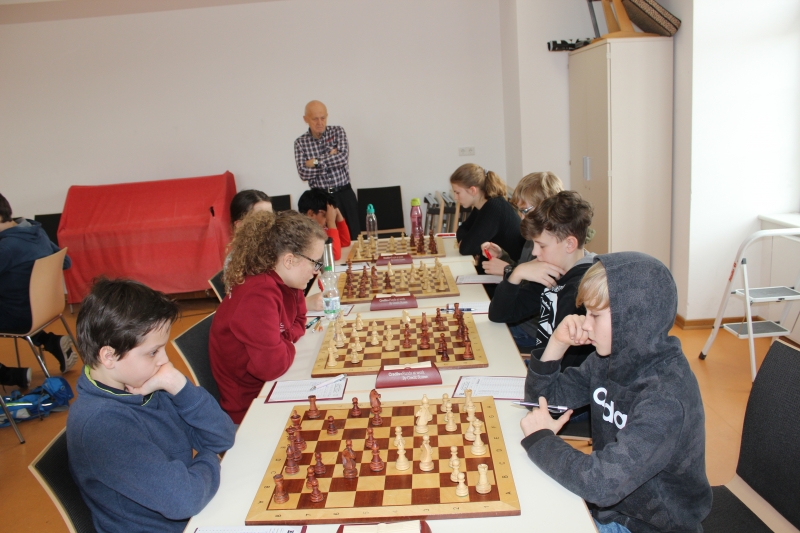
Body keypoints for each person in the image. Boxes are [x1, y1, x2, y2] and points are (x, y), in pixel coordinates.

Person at [520, 252, 712, 533]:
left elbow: (600, 484)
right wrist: (557, 343)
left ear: (633, 319)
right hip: (610, 507)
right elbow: (542, 402)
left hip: (646, 526)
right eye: (586, 312)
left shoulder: (665, 397)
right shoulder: (608, 360)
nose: (585, 324)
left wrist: (542, 440)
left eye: (595, 315)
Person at [67, 278, 235, 533]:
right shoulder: (102, 425)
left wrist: (178, 385)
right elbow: (184, 499)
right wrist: (209, 458)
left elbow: (222, 437)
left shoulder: (145, 382)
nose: (165, 360)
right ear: (109, 356)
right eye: (153, 352)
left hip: (194, 515)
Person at [209, 210, 327, 423]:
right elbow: (272, 367)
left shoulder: (288, 282)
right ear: (289, 260)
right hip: (251, 407)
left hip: (271, 388)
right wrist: (285, 342)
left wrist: (283, 340)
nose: (316, 271)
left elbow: (300, 319)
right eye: (315, 262)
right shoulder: (258, 294)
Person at [489, 191, 596, 362]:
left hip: (553, 373)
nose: (534, 252)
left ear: (569, 244)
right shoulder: (551, 273)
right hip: (542, 367)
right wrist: (516, 274)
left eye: (541, 245)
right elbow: (499, 315)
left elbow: (572, 363)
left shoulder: (588, 289)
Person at [0, 193, 78, 374]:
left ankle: (8, 375)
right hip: (45, 308)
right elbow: (66, 262)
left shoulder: (6, 247)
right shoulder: (34, 230)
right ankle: (50, 341)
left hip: (20, 315)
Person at [294, 100, 360, 241]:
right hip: (320, 199)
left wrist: (315, 162)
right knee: (325, 240)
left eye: (323, 118)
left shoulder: (338, 132)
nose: (320, 122)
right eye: (315, 119)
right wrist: (330, 157)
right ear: (305, 119)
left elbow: (342, 159)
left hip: (344, 194)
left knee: (353, 237)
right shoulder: (300, 143)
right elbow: (303, 173)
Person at [481, 171, 564, 276]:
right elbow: (524, 269)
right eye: (520, 211)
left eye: (525, 211)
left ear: (545, 207)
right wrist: (502, 256)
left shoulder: (554, 243)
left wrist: (508, 270)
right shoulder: (531, 238)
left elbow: (539, 283)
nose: (522, 217)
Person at [450, 163, 524, 276]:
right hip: (497, 272)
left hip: (510, 276)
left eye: (457, 192)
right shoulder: (482, 205)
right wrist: (466, 241)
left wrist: (466, 242)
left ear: (473, 190)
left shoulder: (493, 208)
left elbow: (466, 248)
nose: (455, 197)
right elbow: (462, 229)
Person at [298, 189, 351, 261]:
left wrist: (337, 212)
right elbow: (333, 255)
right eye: (325, 215)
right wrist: (331, 221)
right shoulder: (304, 233)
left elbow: (345, 242)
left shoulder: (320, 228)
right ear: (311, 214)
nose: (327, 218)